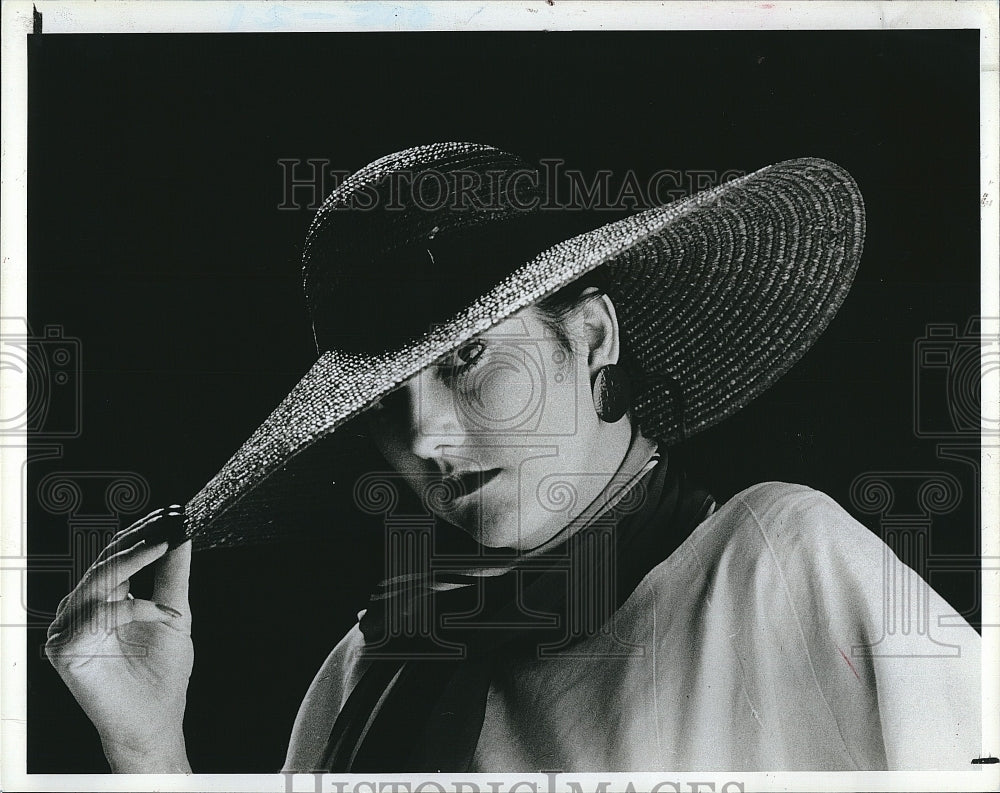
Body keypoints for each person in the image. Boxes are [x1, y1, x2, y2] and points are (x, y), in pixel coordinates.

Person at [45, 142, 981, 773]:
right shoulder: (367, 670)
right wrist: (150, 752)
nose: (423, 438)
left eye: (467, 357)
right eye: (383, 402)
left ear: (593, 336)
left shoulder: (780, 564)